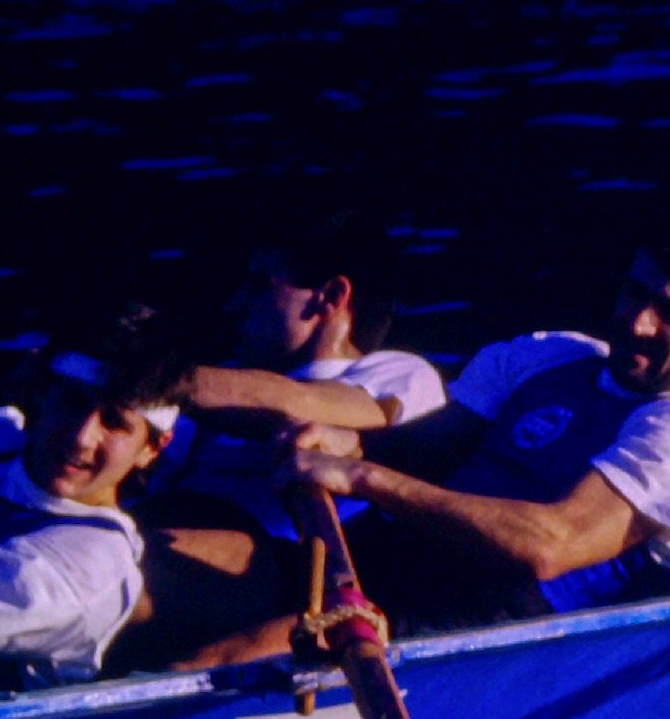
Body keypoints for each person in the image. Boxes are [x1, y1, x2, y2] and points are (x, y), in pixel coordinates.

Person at [176, 210, 670, 666]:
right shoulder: (555, 355)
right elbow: (429, 447)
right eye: (635, 294)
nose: (638, 323)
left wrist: (361, 476)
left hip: (484, 629)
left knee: (220, 661)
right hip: (387, 562)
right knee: (167, 569)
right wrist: (347, 443)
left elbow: (551, 545)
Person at [0, 305, 187, 704]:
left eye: (115, 423)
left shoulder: (92, 564)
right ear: (43, 394)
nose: (82, 437)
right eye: (73, 402)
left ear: (153, 448)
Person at [147, 212, 446, 540]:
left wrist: (148, 375)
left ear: (331, 296)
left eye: (260, 285)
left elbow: (304, 405)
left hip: (280, 561)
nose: (235, 304)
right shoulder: (220, 385)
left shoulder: (403, 373)